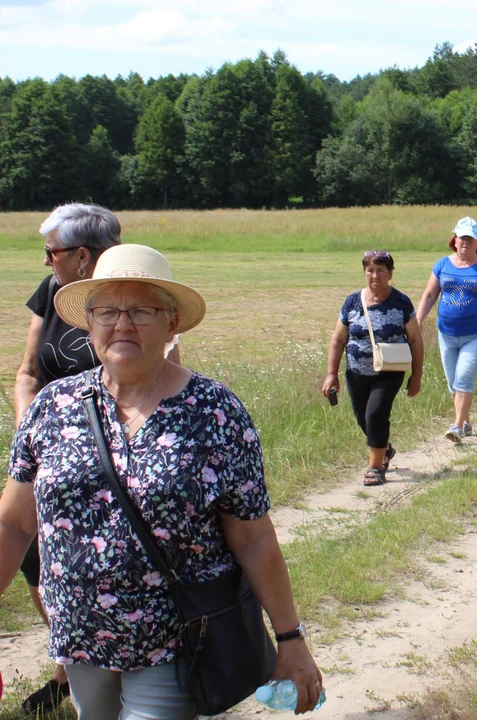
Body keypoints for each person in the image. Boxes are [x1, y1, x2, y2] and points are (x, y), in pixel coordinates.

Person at [1, 244, 323, 717]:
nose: (122, 324)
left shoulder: (215, 412)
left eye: (141, 311)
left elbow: (254, 537)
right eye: (108, 310)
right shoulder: (54, 405)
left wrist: (290, 638)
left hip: (174, 640)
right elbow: (14, 525)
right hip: (78, 636)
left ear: (172, 323)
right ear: (88, 323)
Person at [12, 203, 130, 714]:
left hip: (110, 462)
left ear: (82, 256)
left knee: (106, 566)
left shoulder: (130, 294)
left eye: (51, 253)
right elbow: (27, 372)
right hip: (52, 456)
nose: (46, 263)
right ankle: (71, 665)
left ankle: (124, 664)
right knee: (36, 561)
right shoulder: (52, 295)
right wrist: (30, 434)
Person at [323, 251, 424, 486]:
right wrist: (331, 374)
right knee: (362, 418)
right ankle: (384, 449)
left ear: (390, 273)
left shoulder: (401, 302)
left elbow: (416, 340)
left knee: (375, 413)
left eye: (380, 270)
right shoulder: (352, 302)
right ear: (364, 273)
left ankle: (376, 467)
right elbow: (338, 340)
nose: (375, 275)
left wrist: (416, 376)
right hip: (356, 373)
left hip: (389, 372)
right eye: (370, 270)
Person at [417, 217, 477, 443]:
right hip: (447, 334)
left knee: (464, 378)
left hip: (476, 334)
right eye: (462, 238)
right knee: (453, 381)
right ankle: (465, 421)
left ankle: (457, 426)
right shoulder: (442, 265)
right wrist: (417, 321)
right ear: (454, 240)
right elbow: (429, 295)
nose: (465, 242)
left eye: (470, 238)